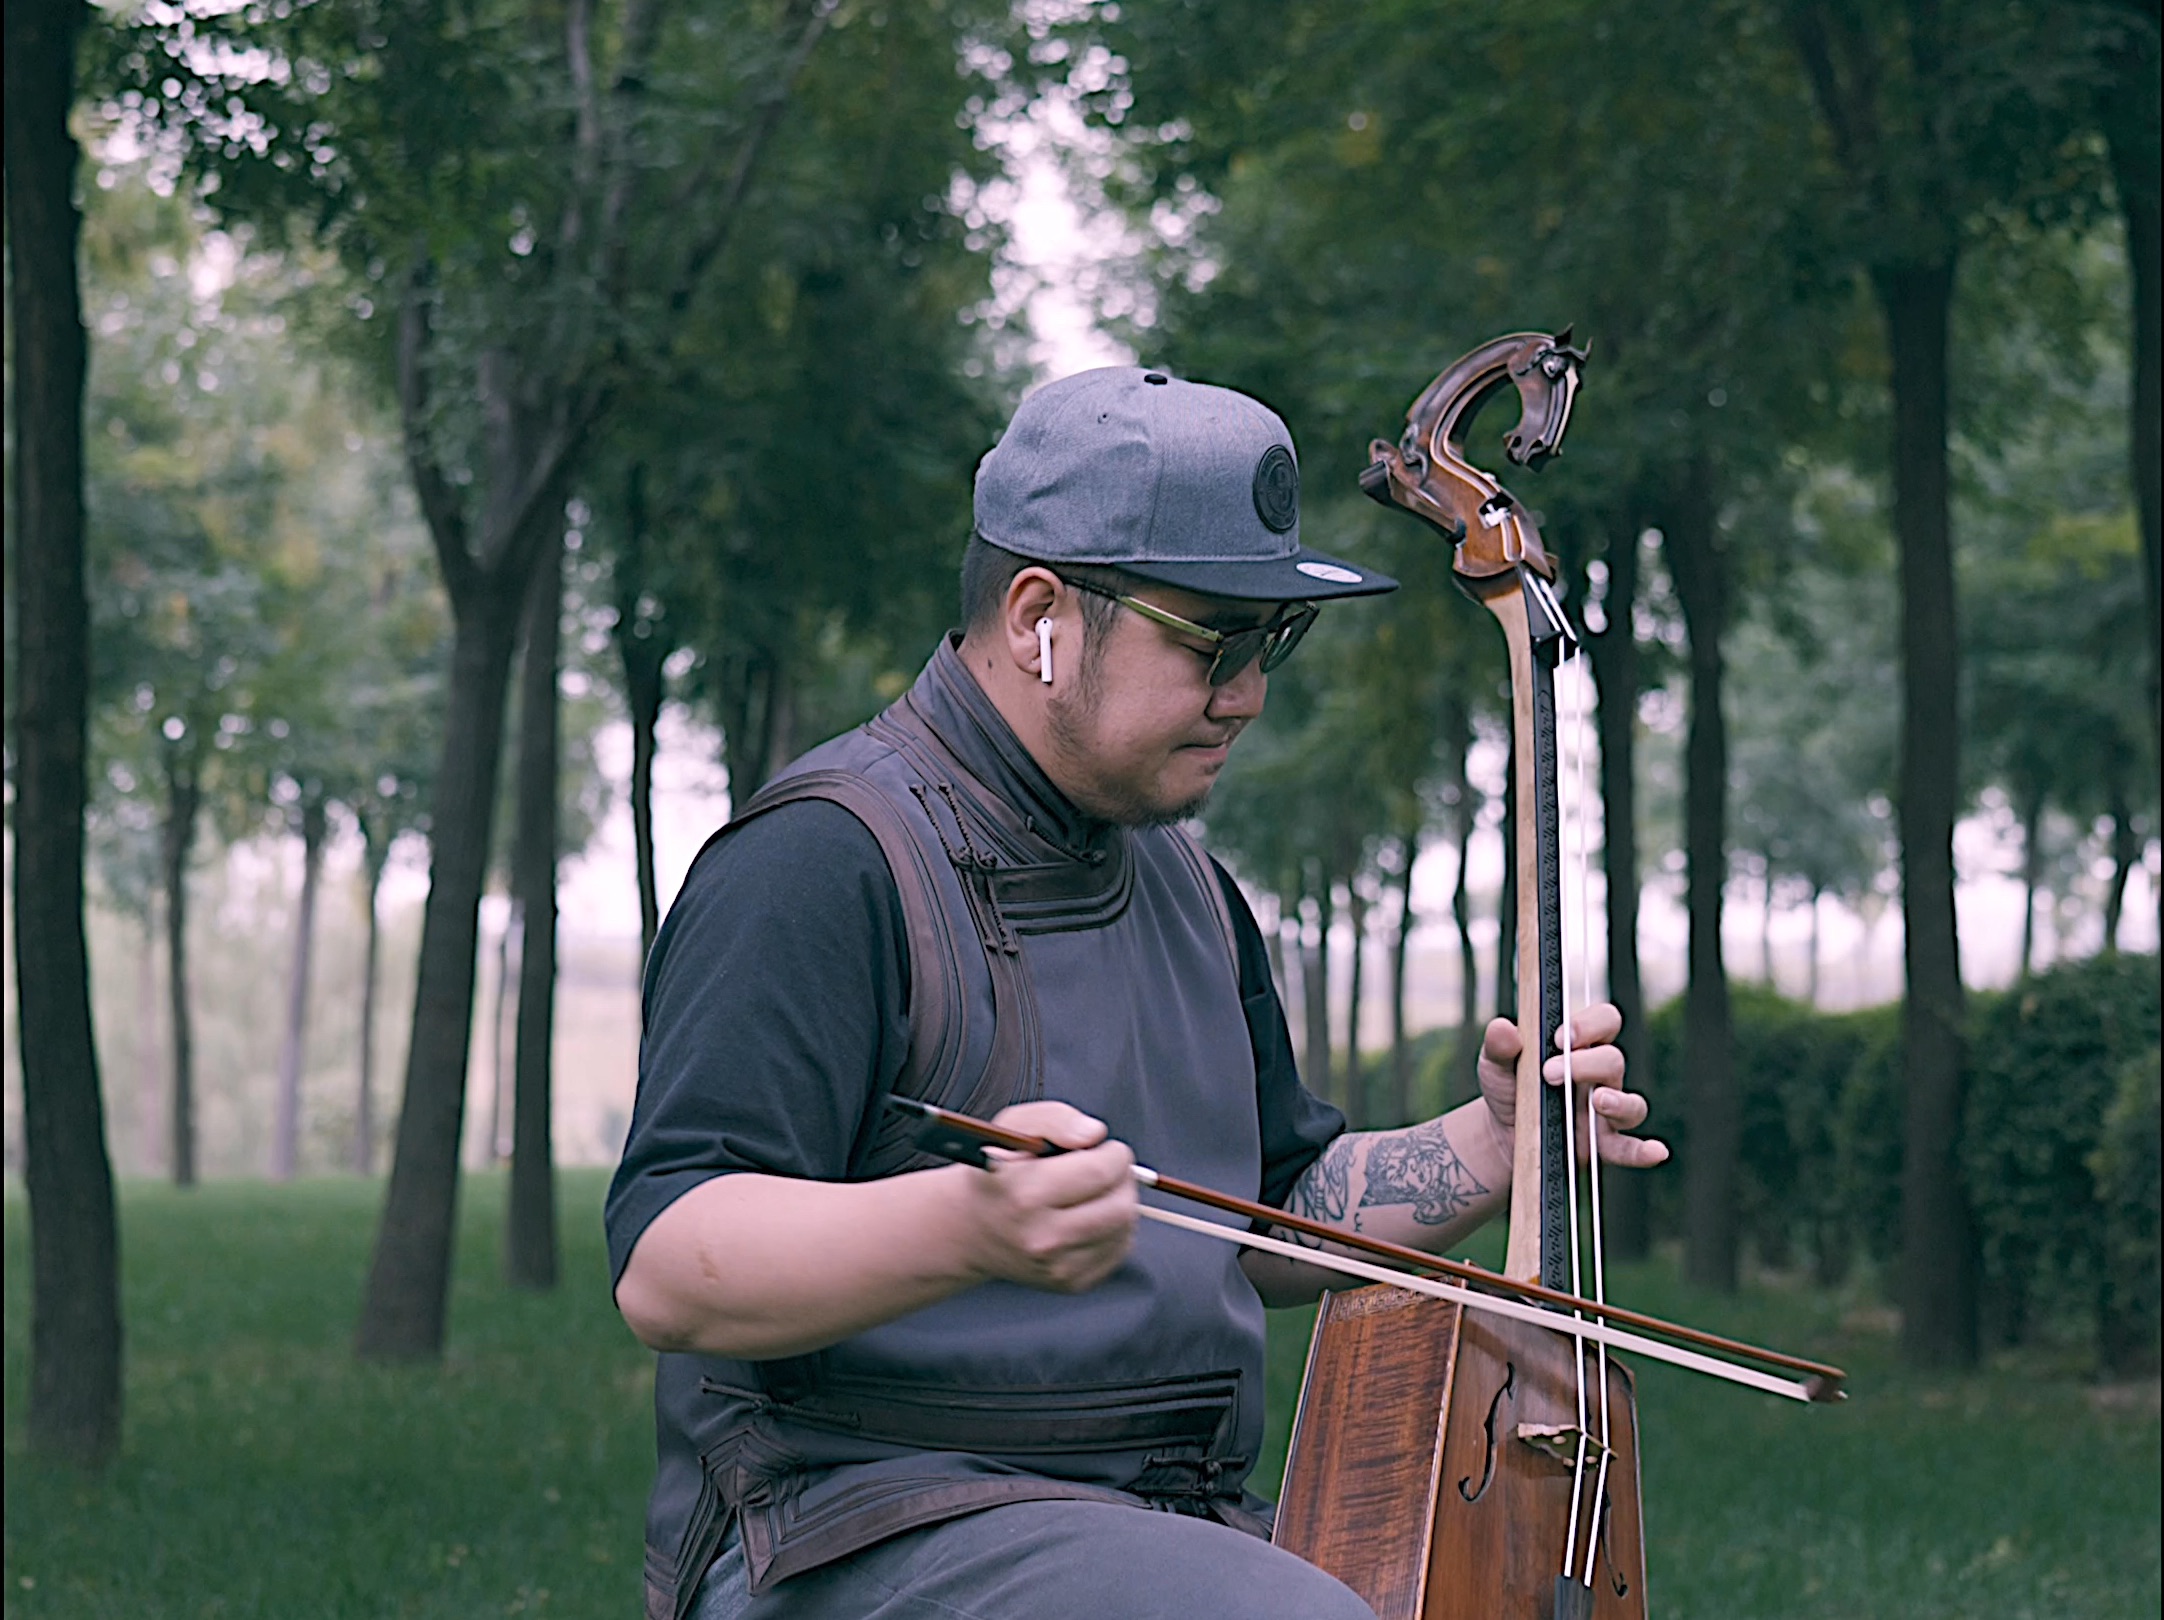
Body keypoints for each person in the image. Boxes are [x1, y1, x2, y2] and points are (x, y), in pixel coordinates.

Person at [606, 367, 1667, 1620]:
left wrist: (1492, 1144)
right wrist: (969, 1227)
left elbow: (1268, 1213)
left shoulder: (1186, 880)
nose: (1248, 696)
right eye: (1211, 643)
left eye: (1271, 641)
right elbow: (669, 1267)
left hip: (1168, 1525)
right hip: (864, 1523)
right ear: (1037, 616)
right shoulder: (819, 861)